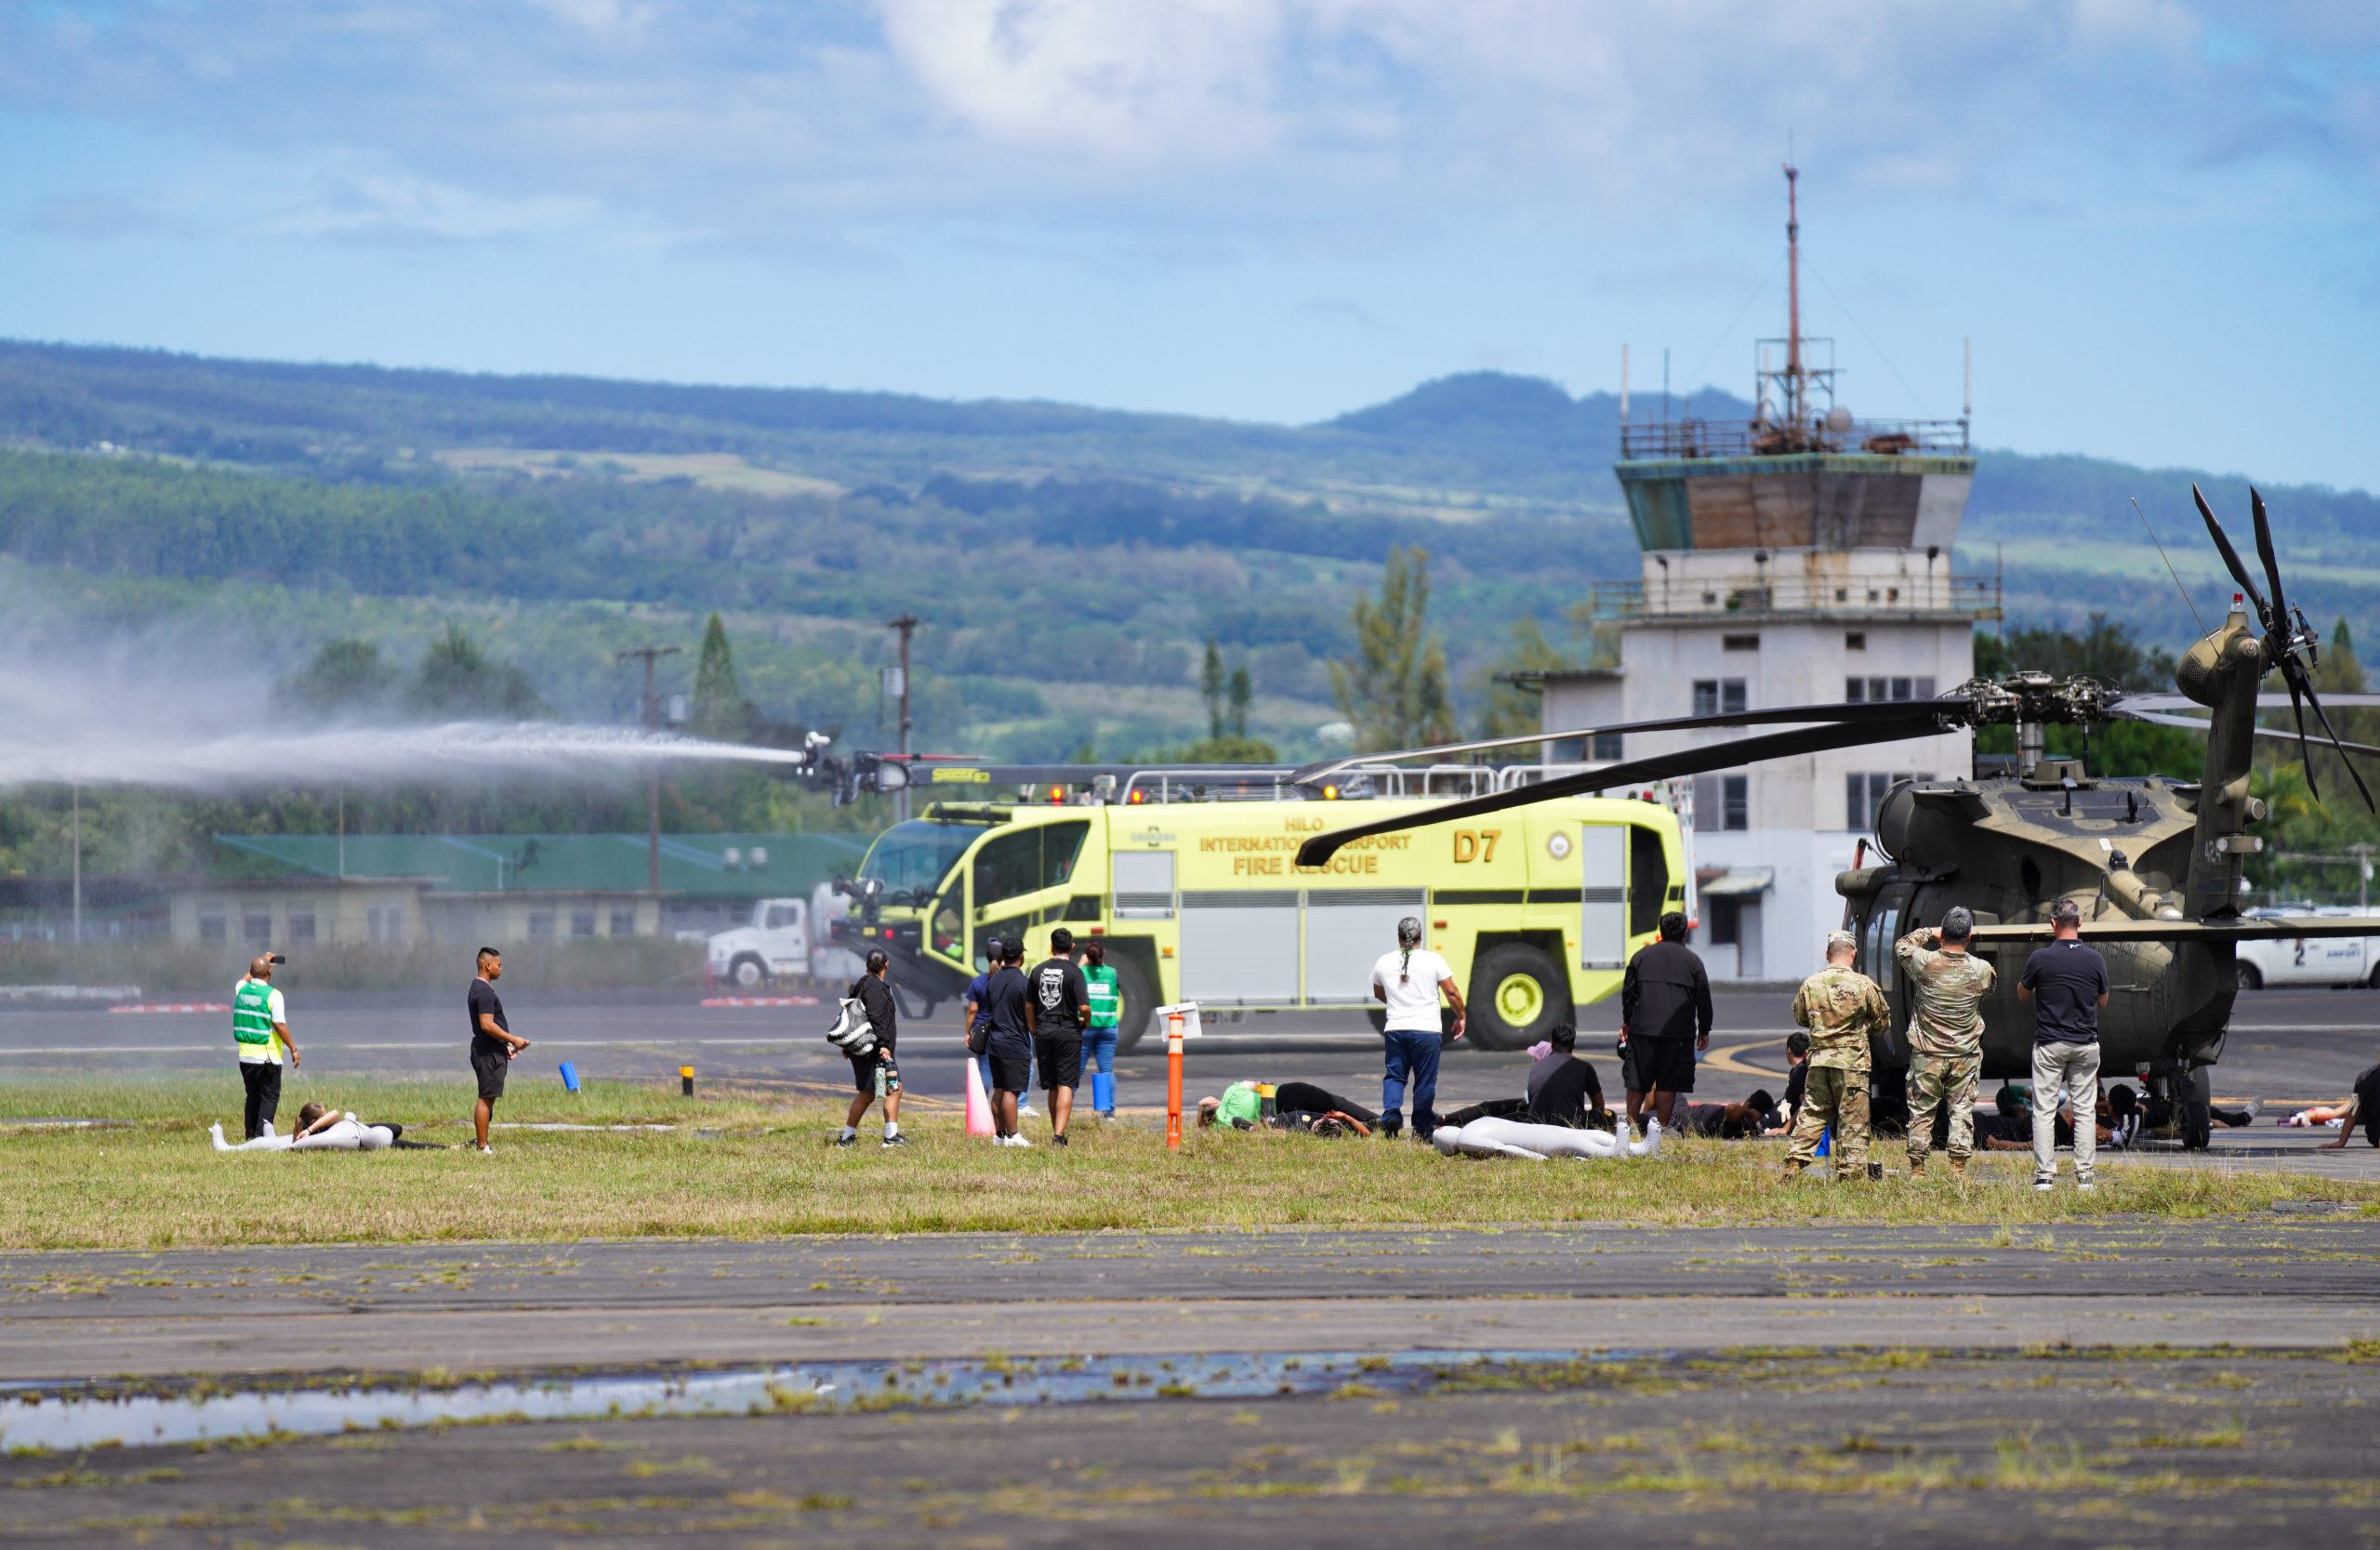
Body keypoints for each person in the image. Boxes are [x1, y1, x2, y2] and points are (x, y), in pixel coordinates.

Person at [1897, 907, 1997, 1180]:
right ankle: (1958, 1170)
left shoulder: (1924, 962)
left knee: (1921, 1112)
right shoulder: (1982, 969)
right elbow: (1986, 992)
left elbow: (1902, 945)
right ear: (1969, 937)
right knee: (1961, 1112)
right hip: (1964, 1055)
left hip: (1926, 1054)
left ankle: (1917, 1171)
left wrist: (1928, 932)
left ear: (1943, 935)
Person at [1784, 930, 1890, 1182]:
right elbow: (1882, 1023)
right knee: (1852, 1120)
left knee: (1813, 1114)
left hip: (1819, 1062)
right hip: (1851, 1063)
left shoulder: (1810, 984)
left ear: (1827, 954)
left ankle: (1794, 1164)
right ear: (1853, 954)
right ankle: (1850, 1176)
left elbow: (1800, 1017)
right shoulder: (1864, 985)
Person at [2019, 899, 2109, 1192]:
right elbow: (2103, 1000)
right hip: (2085, 1044)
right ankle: (2085, 1176)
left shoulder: (2039, 958)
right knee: (2084, 1110)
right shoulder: (2095, 959)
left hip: (2050, 1044)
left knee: (2044, 1110)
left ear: (2053, 924)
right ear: (2080, 922)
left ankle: (2045, 1176)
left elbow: (2022, 993)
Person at [1369, 916, 1465, 1140]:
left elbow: (1378, 992)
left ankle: (1391, 1115)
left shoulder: (1383, 961)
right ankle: (1422, 1129)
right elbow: (1452, 992)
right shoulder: (1434, 960)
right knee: (1424, 1081)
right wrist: (1461, 1016)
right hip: (1427, 1031)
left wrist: (1398, 1001)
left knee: (1395, 1076)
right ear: (1421, 937)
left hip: (1395, 1029)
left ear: (1399, 938)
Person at [1619, 911, 1711, 1135]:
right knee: (1668, 1081)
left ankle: (1630, 1126)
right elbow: (1703, 998)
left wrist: (1627, 1021)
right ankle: (1661, 1128)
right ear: (1685, 932)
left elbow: (1628, 992)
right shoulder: (1693, 962)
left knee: (1637, 1078)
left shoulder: (1641, 957)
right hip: (1678, 1033)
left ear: (1660, 930)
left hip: (1642, 1029)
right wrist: (1704, 1029)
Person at [1028, 928, 1091, 1146]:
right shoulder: (1075, 972)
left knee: (1053, 1084)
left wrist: (1033, 1028)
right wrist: (1087, 1020)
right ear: (1072, 947)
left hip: (1043, 1031)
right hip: (1067, 1031)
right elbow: (1084, 1007)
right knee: (1066, 1083)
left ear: (1051, 946)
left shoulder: (1037, 971)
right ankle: (1058, 1135)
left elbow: (1029, 1005)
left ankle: (1056, 1129)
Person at [838, 948, 905, 1148]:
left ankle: (848, 1138)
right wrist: (884, 1045)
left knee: (869, 1093)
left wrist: (847, 1045)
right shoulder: (874, 986)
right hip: (875, 1050)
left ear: (867, 965)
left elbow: (850, 1015)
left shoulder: (863, 984)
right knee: (893, 1089)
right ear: (887, 964)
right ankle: (890, 1137)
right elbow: (876, 1017)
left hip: (864, 1049)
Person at [231, 953, 300, 1141]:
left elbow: (244, 979)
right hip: (268, 1057)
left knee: (252, 1097)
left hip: (246, 1057)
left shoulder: (241, 989)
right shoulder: (273, 995)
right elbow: (279, 1025)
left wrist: (261, 962)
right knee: (269, 1098)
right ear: (270, 972)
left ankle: (250, 1136)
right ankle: (262, 1138)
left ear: (251, 972)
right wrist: (293, 1049)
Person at [468, 947, 529, 1155]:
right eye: (499, 965)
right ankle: (482, 1146)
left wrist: (504, 1047)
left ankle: (482, 1141)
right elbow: (486, 1025)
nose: (501, 969)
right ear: (487, 965)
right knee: (486, 1098)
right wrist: (513, 1039)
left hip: (490, 1050)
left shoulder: (478, 987)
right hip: (487, 1054)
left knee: (489, 1097)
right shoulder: (484, 991)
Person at [974, 939, 1035, 1146]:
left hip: (995, 1041)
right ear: (1021, 956)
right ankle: (1013, 1135)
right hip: (1015, 1042)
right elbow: (1029, 1012)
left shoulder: (993, 980)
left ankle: (999, 1135)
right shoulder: (1023, 982)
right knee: (1012, 1091)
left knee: (999, 1088)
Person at [209, 1101, 434, 1152]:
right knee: (396, 1140)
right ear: (313, 1122)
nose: (328, 1117)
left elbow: (336, 1114)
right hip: (359, 1135)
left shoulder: (319, 1127)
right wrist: (308, 1131)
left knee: (396, 1130)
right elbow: (334, 1115)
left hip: (358, 1130)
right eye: (322, 1116)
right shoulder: (318, 1132)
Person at [1079, 939, 1121, 1119]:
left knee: (1075, 1071)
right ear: (1103, 954)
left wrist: (1081, 964)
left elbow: (1071, 985)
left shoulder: (1081, 973)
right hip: (1108, 1027)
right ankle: (1108, 1113)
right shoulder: (1112, 973)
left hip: (1085, 1027)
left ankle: (1063, 1111)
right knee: (1106, 1070)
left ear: (1087, 956)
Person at [961, 937, 1002, 1105]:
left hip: (983, 1030)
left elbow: (972, 1010)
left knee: (985, 1067)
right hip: (1004, 1028)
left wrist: (967, 1033)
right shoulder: (1007, 980)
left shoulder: (978, 982)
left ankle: (982, 1104)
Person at [2316, 1062, 2380, 1150]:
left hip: (2376, 1138)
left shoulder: (2362, 1078)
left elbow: (2353, 1111)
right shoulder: (2362, 1078)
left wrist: (2341, 1141)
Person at [1680, 1092, 1778, 1138]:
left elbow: (1732, 1108)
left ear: (1747, 1103)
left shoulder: (1742, 1122)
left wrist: (1751, 1114)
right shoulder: (1749, 1125)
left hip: (1682, 1119)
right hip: (1690, 1115)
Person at [1769, 1030, 1811, 1136]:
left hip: (1776, 1123)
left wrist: (1786, 1128)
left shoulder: (1800, 1071)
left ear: (1789, 1050)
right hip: (1777, 1113)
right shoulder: (1797, 1069)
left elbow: (1805, 1104)